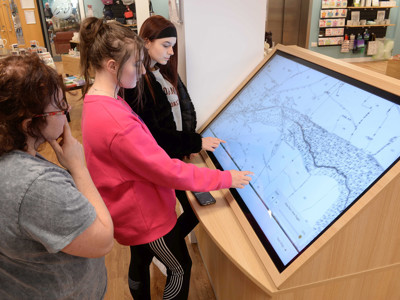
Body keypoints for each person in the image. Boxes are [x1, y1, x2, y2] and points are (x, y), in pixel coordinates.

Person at [79, 17, 252, 300]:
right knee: (181, 267)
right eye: (135, 64)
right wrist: (225, 178)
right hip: (145, 216)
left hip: (130, 210)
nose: (141, 70)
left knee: (141, 259)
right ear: (112, 66)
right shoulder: (114, 119)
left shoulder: (100, 100)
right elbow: (164, 169)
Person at [0, 54, 114, 299]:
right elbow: (103, 240)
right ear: (29, 124)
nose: (67, 110)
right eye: (60, 107)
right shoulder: (36, 185)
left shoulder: (12, 158)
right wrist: (79, 167)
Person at [125, 15, 225, 241]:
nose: (171, 52)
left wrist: (189, 142)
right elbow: (154, 134)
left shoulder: (165, 71)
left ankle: (164, 248)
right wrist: (196, 142)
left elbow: (185, 109)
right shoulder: (138, 82)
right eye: (166, 45)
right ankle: (167, 248)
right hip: (165, 159)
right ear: (147, 42)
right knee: (183, 213)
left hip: (178, 153)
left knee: (193, 209)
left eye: (173, 46)